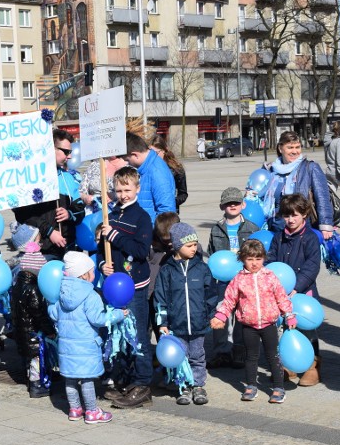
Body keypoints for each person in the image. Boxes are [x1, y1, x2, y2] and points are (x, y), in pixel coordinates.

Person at [97, 166, 155, 409]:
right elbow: (103, 248)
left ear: (137, 189)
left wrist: (115, 237)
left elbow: (142, 252)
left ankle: (143, 383)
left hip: (134, 287)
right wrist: (102, 264)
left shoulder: (141, 217)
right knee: (119, 334)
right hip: (114, 284)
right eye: (119, 190)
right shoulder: (111, 215)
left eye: (127, 189)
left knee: (138, 334)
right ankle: (127, 377)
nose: (123, 194)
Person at [211, 239, 296, 403]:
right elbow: (229, 300)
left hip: (269, 324)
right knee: (251, 357)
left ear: (264, 258)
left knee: (273, 356)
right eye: (250, 259)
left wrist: (289, 315)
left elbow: (281, 297)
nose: (254, 263)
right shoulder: (238, 279)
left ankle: (278, 387)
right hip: (248, 326)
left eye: (258, 259)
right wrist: (221, 316)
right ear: (243, 259)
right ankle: (251, 385)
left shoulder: (270, 277)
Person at [49, 251, 125, 424]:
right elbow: (98, 319)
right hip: (86, 346)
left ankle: (75, 409)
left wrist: (49, 308)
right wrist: (119, 314)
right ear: (84, 274)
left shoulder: (62, 294)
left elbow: (54, 314)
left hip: (67, 348)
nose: (93, 274)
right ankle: (91, 412)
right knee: (87, 380)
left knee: (70, 379)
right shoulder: (90, 296)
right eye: (91, 271)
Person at [154, 222, 218, 406]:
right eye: (189, 245)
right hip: (177, 323)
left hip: (198, 323)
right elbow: (160, 297)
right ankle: (183, 385)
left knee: (197, 355)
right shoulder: (167, 271)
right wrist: (162, 321)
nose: (194, 248)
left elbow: (211, 294)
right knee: (181, 357)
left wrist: (211, 314)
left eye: (195, 244)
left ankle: (198, 385)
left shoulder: (202, 268)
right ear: (176, 246)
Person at [268, 194, 323, 386]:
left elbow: (312, 266)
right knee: (282, 329)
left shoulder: (310, 238)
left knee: (307, 329)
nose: (290, 220)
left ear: (305, 214)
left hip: (304, 293)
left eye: (295, 215)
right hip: (281, 293)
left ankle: (312, 367)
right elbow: (270, 261)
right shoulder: (278, 238)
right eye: (286, 216)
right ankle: (288, 364)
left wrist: (297, 286)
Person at [206, 187, 260, 370]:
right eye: (228, 203)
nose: (233, 205)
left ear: (243, 205)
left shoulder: (252, 228)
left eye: (236, 202)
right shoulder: (216, 229)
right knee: (222, 313)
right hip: (223, 281)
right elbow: (212, 254)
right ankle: (221, 352)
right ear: (222, 206)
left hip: (245, 279)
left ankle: (239, 351)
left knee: (242, 316)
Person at [13, 129, 86, 259]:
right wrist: (49, 231)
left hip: (68, 249)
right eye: (66, 152)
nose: (69, 156)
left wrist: (69, 214)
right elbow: (22, 213)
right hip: (40, 251)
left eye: (70, 152)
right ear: (51, 148)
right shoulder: (32, 178)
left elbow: (80, 211)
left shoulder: (68, 177)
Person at [8, 224, 56, 399]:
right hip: (33, 333)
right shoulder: (33, 289)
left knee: (30, 359)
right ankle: (36, 386)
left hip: (23, 330)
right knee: (36, 359)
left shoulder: (17, 284)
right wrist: (50, 330)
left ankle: (32, 380)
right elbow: (38, 313)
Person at [261, 131, 334, 239]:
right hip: (273, 228)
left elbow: (322, 197)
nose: (295, 151)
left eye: (297, 147)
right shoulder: (270, 169)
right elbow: (260, 197)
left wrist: (326, 225)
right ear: (280, 148)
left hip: (302, 228)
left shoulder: (310, 168)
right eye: (290, 147)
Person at [125, 133, 176, 222]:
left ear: (135, 155)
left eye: (127, 160)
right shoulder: (146, 168)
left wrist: (149, 231)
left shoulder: (157, 171)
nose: (127, 164)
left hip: (151, 232)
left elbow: (166, 212)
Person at [151, 135, 188, 210]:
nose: (153, 156)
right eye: (150, 153)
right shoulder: (147, 167)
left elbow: (183, 194)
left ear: (164, 150)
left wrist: (171, 202)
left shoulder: (176, 168)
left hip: (169, 212)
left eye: (156, 153)